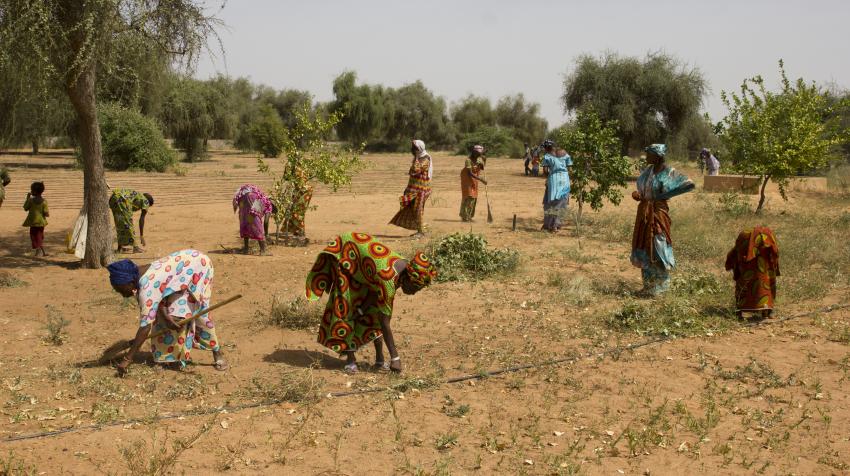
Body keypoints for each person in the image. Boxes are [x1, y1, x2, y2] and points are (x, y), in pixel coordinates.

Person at [305, 232, 437, 374]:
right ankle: (350, 360)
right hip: (347, 254)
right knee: (348, 304)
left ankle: (379, 360)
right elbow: (384, 322)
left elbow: (376, 292)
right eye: (415, 287)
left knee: (373, 310)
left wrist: (362, 309)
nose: (414, 292)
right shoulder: (388, 279)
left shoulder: (403, 268)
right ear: (408, 277)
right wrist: (395, 357)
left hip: (362, 263)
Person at [107, 250, 227, 376]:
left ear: (130, 282)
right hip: (182, 270)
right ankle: (166, 357)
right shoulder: (140, 275)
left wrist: (127, 359)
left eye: (121, 290)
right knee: (165, 317)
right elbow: (160, 294)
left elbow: (145, 326)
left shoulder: (147, 288)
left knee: (199, 313)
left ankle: (217, 352)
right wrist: (165, 315)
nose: (121, 294)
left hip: (199, 266)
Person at [630, 144, 695, 295]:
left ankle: (660, 288)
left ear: (658, 156)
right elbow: (641, 189)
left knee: (658, 244)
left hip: (658, 213)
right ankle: (648, 287)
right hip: (645, 212)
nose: (646, 157)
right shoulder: (648, 171)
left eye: (649, 154)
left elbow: (688, 184)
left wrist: (661, 197)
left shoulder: (668, 172)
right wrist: (638, 195)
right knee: (645, 246)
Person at [725, 227, 779, 319]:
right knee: (765, 280)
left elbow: (734, 256)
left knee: (747, 280)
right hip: (765, 242)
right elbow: (775, 255)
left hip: (747, 248)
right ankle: (767, 310)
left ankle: (740, 311)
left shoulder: (743, 240)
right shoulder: (768, 239)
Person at [390, 139, 432, 236]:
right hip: (413, 189)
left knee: (418, 209)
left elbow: (416, 170)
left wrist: (416, 157)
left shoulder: (425, 159)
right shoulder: (417, 158)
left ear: (418, 149)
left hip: (422, 190)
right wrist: (407, 188)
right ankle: (422, 228)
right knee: (412, 208)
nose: (412, 150)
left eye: (414, 148)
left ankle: (421, 231)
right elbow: (412, 174)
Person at [540, 141, 573, 232]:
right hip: (565, 180)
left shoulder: (547, 156)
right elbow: (570, 169)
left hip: (553, 180)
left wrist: (548, 177)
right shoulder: (564, 153)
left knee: (551, 202)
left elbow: (545, 171)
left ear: (546, 148)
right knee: (562, 202)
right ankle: (557, 225)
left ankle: (550, 225)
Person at [233, 184, 273, 255]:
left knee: (247, 223)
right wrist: (266, 234)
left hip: (242, 197)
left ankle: (246, 249)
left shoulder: (262, 197)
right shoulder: (268, 204)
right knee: (257, 224)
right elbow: (266, 221)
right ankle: (263, 251)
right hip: (252, 197)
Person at [109, 188, 153, 253]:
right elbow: (142, 218)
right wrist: (141, 235)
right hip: (122, 200)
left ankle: (120, 248)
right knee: (128, 224)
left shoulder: (138, 195)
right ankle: (135, 248)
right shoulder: (145, 201)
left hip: (113, 198)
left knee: (120, 223)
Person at [281, 166, 313, 246]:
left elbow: (286, 178)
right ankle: (297, 234)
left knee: (297, 212)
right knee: (294, 211)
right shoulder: (300, 163)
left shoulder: (291, 164)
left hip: (303, 191)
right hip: (299, 190)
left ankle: (301, 235)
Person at [460, 145, 487, 222]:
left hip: (474, 180)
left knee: (474, 197)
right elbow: (470, 173)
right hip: (467, 180)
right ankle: (465, 216)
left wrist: (484, 160)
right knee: (469, 197)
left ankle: (470, 216)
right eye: (478, 154)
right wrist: (481, 179)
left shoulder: (479, 159)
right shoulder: (468, 160)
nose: (479, 155)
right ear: (474, 153)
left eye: (480, 154)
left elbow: (482, 168)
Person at [23, 181, 49, 256]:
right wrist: (46, 214)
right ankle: (41, 251)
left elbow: (25, 208)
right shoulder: (44, 201)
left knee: (34, 236)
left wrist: (27, 198)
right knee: (40, 236)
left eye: (31, 190)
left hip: (33, 222)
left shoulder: (31, 201)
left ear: (34, 191)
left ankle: (39, 251)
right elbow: (46, 213)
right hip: (41, 223)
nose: (31, 191)